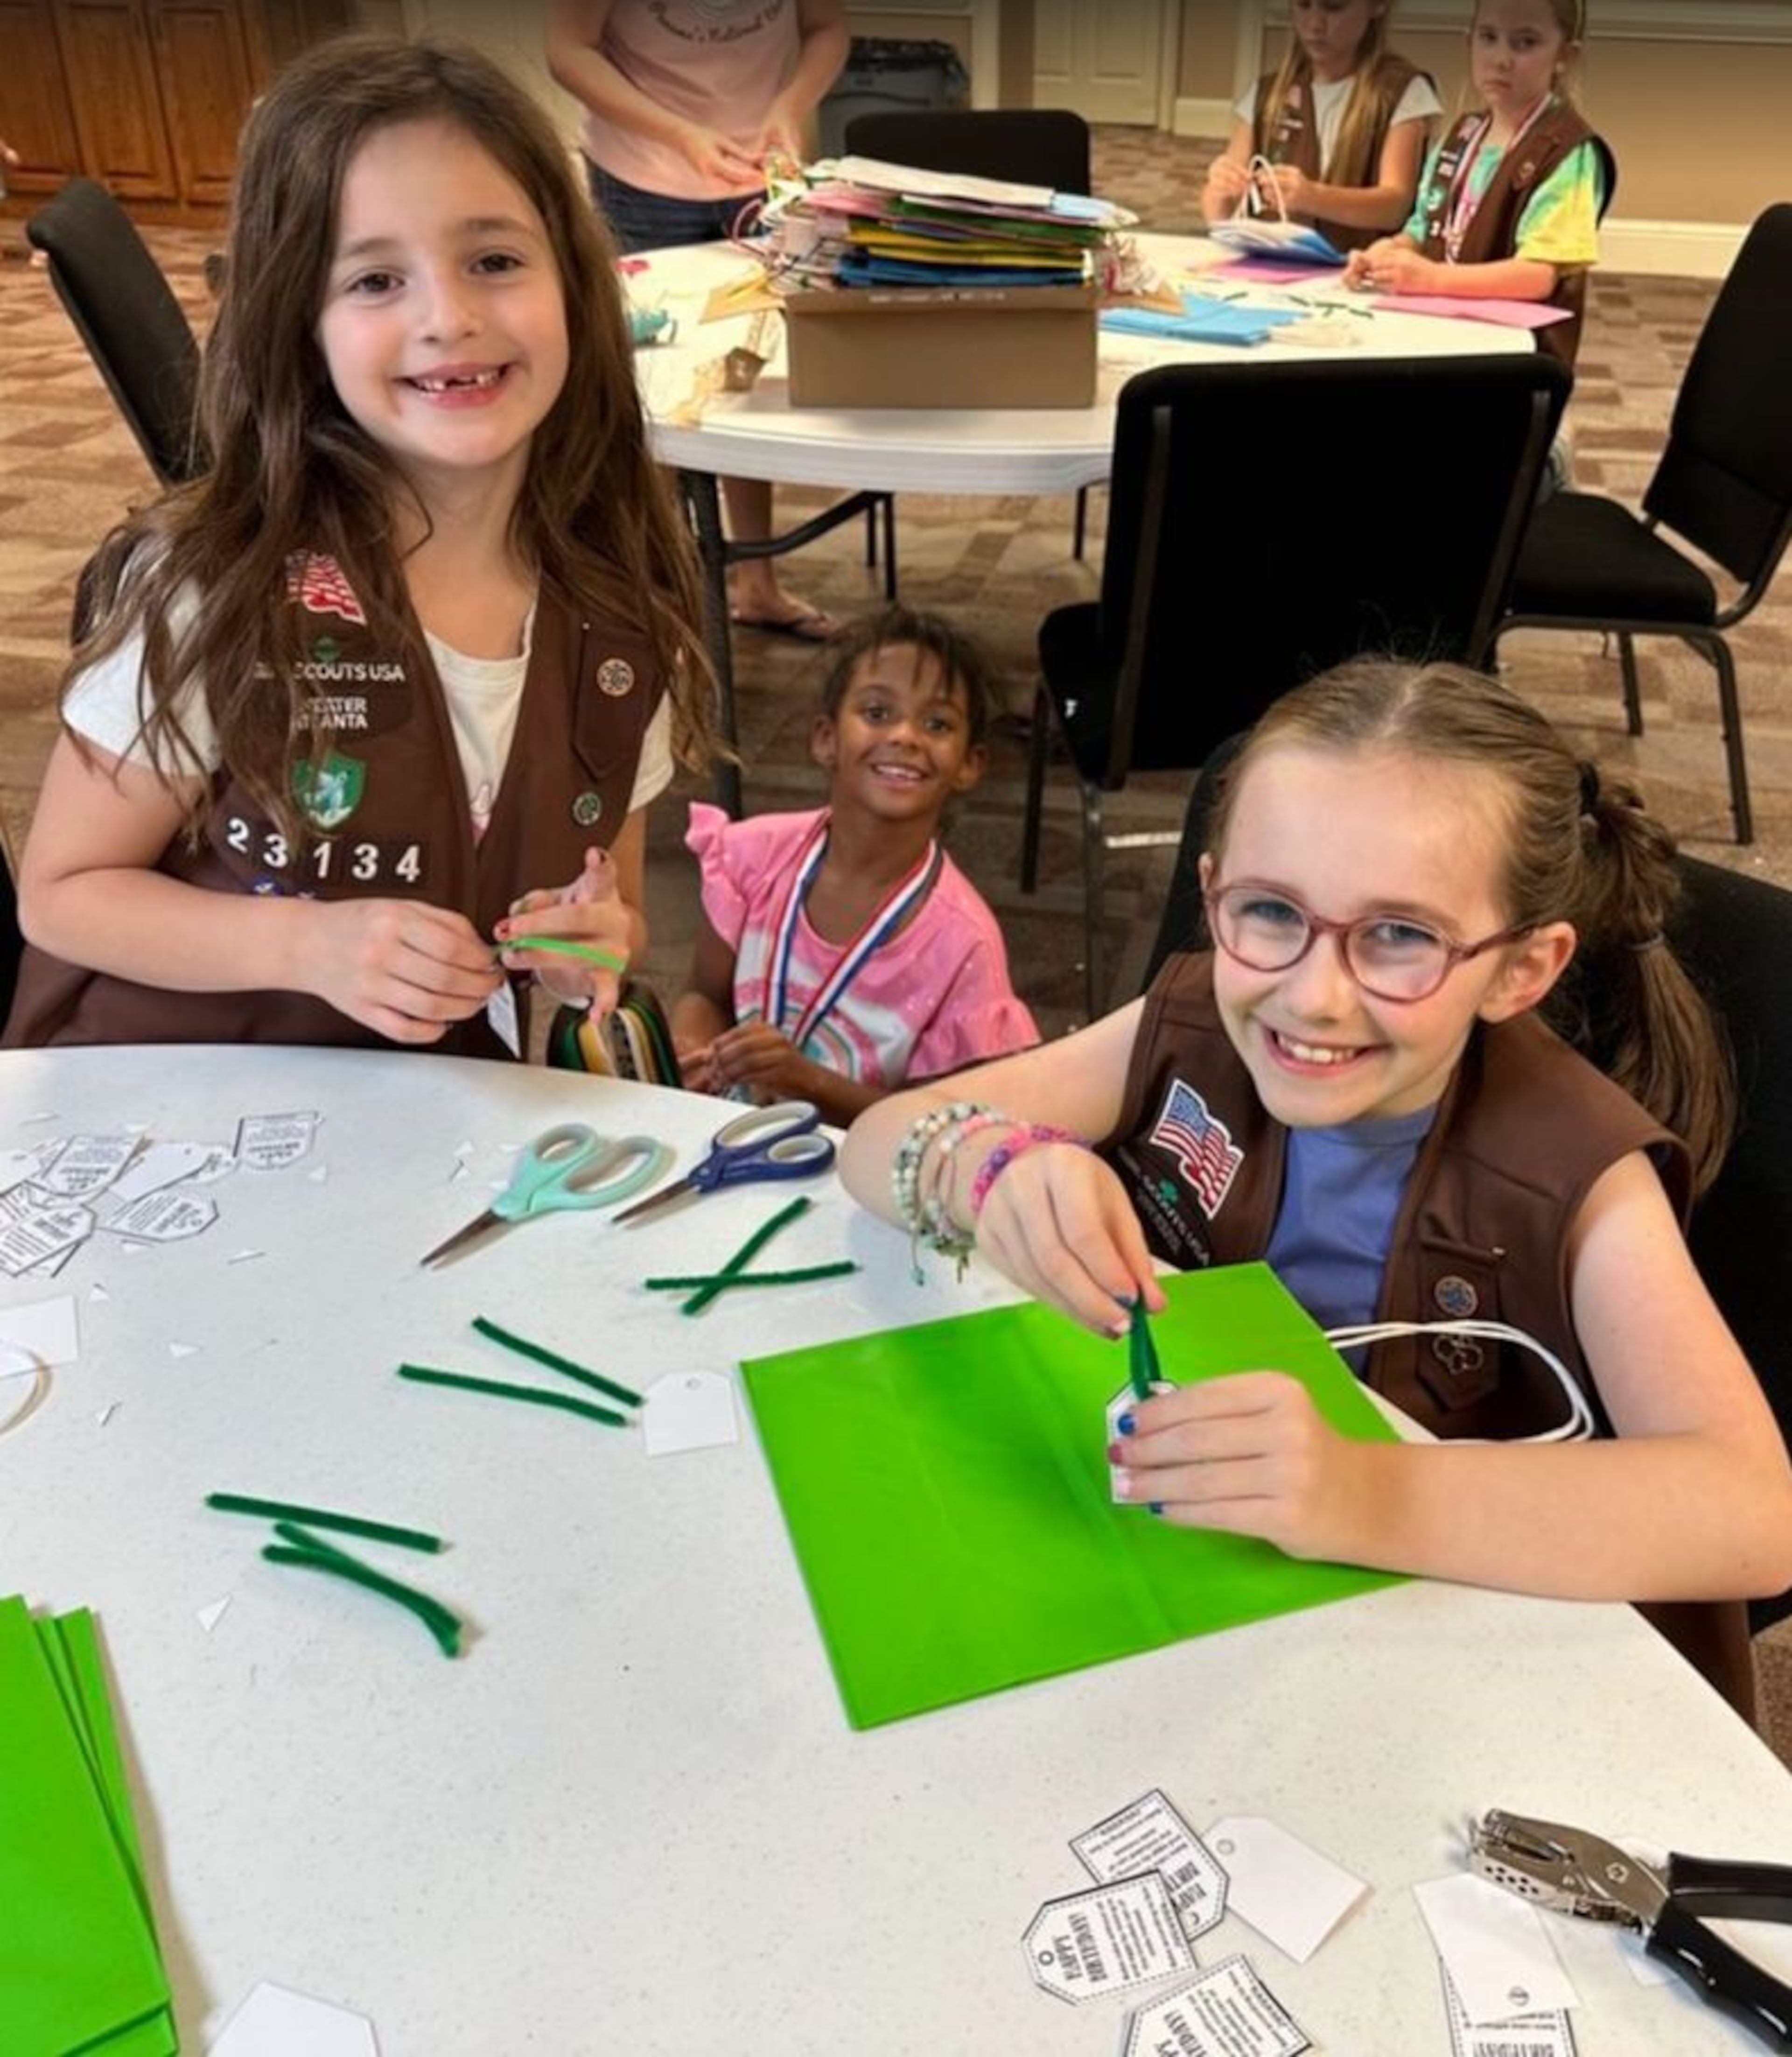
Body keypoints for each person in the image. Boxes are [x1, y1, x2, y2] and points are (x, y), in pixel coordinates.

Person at [839, 659, 1792, 1717]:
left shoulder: (1582, 1180)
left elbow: (1750, 1508)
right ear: (1210, 893)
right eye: (1268, 911)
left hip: (1449, 1679)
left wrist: (1356, 1485)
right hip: (1203, 1626)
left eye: (1398, 935)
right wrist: (980, 1165)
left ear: (1519, 970)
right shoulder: (1192, 1019)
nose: (1310, 994)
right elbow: (872, 1140)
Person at [5, 36, 712, 1055]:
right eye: (377, 280)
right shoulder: (217, 589)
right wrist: (306, 945)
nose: (450, 318)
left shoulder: (621, 623)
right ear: (303, 324)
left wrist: (596, 943)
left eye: (496, 261)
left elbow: (619, 907)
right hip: (169, 1112)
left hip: (423, 1136)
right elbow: (64, 895)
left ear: (577, 289)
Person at [547, 0, 849, 641]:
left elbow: (827, 28)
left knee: (747, 371)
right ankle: (659, 590)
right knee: (657, 384)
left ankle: (756, 584)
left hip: (760, 170)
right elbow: (568, 49)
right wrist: (678, 133)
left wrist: (790, 107)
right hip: (641, 172)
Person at [673, 607, 1037, 1125]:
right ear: (826, 738)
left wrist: (808, 1082)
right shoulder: (752, 858)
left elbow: (938, 1126)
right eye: (877, 713)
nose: (906, 736)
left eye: (937, 723)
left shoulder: (963, 944)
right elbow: (704, 993)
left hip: (852, 1180)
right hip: (726, 1137)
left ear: (969, 764)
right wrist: (692, 1048)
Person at [1344, 0, 1607, 365]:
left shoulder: (1566, 151)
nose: (1501, 58)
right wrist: (1388, 251)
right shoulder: (1463, 134)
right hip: (1442, 334)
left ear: (1565, 55)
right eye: (1489, 38)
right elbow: (1423, 228)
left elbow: (1537, 275)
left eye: (1525, 43)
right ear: (1468, 43)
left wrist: (1432, 279)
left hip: (1513, 357)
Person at [1202, 0, 1439, 253]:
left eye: (1334, 7)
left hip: (1360, 268)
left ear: (1377, 6)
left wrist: (1314, 198)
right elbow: (1220, 209)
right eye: (1303, 5)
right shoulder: (1269, 94)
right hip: (1275, 270)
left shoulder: (1403, 91)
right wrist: (1220, 195)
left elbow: (1394, 206)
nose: (1315, 25)